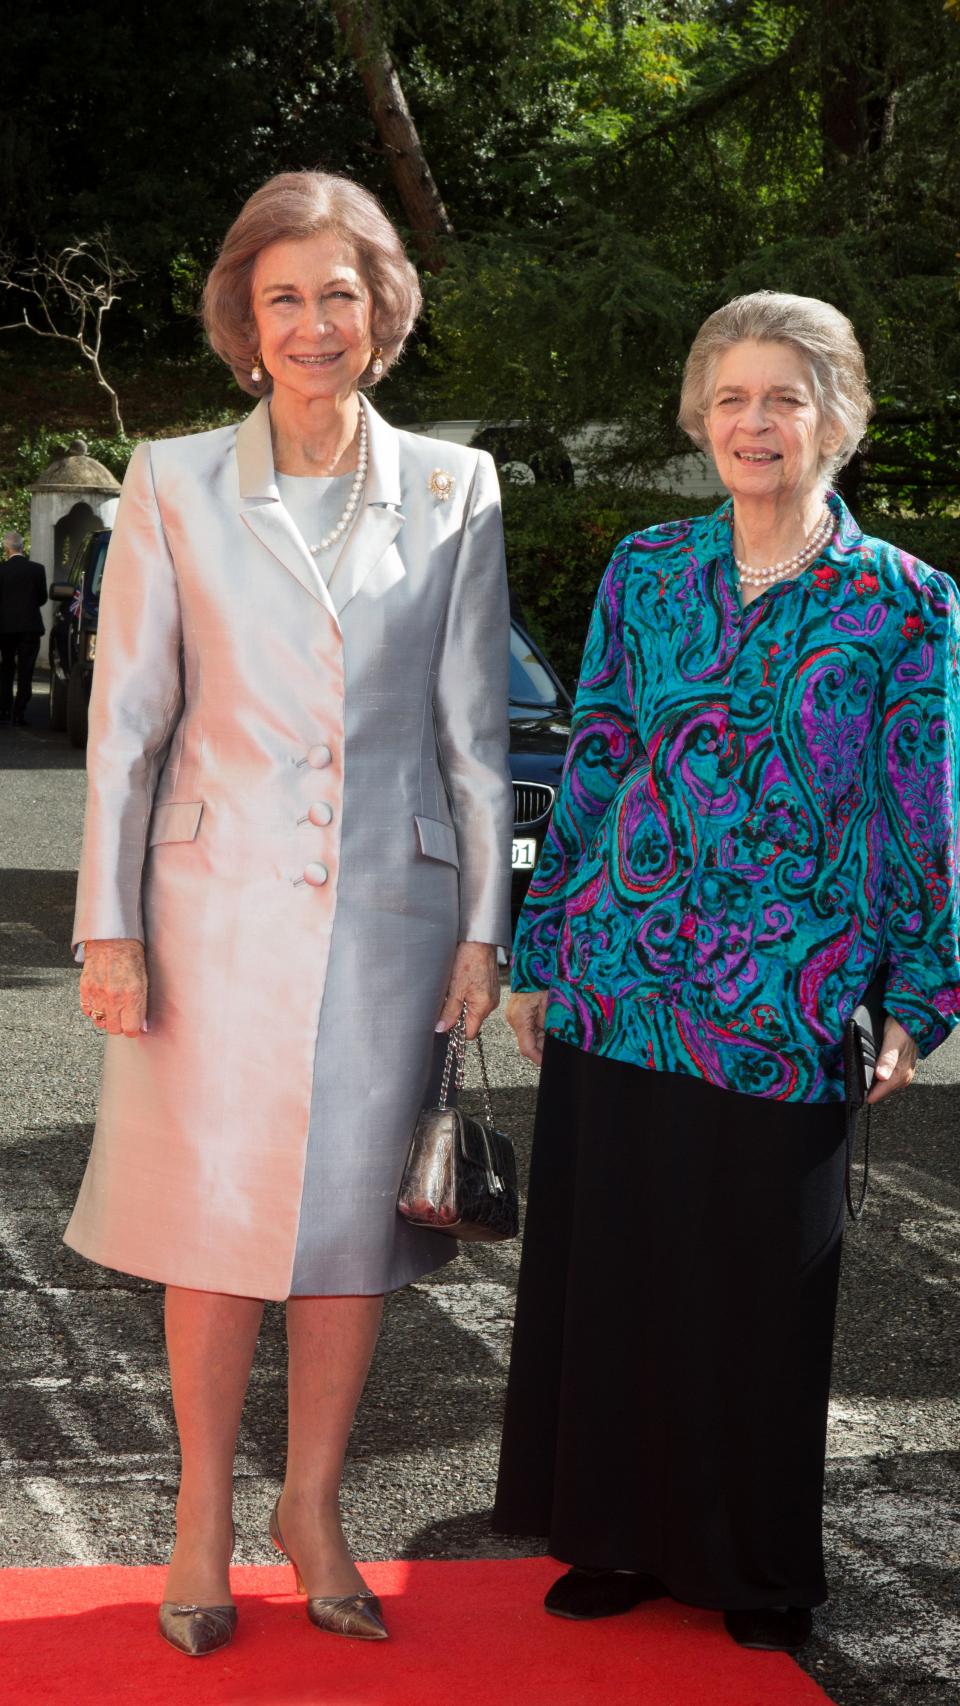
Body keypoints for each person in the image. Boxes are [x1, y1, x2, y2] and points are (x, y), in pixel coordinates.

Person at [66, 169, 513, 1658]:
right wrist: (107, 926)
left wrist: (483, 926)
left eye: (341, 293)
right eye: (285, 296)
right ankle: (200, 1516)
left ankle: (310, 1508)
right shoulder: (173, 477)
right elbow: (126, 724)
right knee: (213, 1222)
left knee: (348, 1226)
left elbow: (474, 739)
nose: (315, 322)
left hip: (394, 915)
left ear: (382, 313)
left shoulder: (457, 483)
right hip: (206, 919)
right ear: (243, 322)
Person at [495, 291, 960, 1654]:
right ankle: (619, 1536)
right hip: (619, 976)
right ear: (701, 418)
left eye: (785, 399)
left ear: (837, 420)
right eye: (733, 399)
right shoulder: (647, 572)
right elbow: (598, 756)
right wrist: (540, 945)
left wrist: (921, 999)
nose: (756, 423)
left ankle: (757, 1560)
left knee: (761, 1286)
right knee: (620, 1267)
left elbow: (921, 813)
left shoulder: (908, 604)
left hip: (792, 997)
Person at [0, 530, 47, 725]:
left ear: (6, 548)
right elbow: (42, 598)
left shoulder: (1, 570)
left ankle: (4, 710)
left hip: (4, 628)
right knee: (26, 671)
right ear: (22, 547)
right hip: (30, 626)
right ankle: (20, 712)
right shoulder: (37, 569)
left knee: (6, 668)